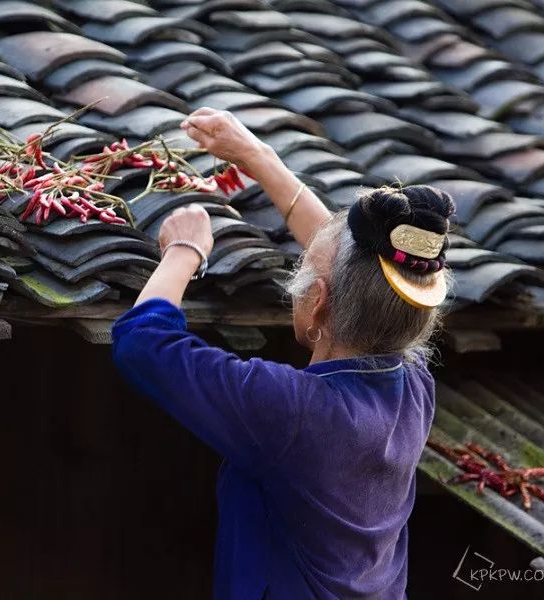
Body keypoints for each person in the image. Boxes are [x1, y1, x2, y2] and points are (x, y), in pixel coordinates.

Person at [111, 108, 456, 599]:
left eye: (305, 268)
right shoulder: (414, 386)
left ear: (317, 304)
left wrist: (184, 249)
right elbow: (360, 274)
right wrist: (258, 157)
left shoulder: (292, 410)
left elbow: (142, 345)